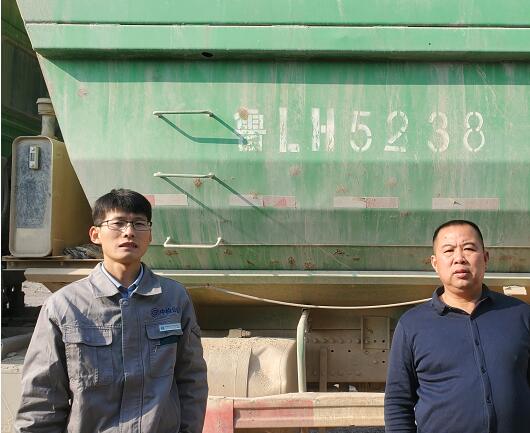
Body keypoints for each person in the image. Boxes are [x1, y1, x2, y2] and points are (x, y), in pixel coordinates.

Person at [15, 189, 208, 433]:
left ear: (150, 235)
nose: (129, 232)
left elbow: (192, 381)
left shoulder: (174, 298)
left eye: (139, 223)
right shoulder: (64, 306)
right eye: (118, 223)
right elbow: (41, 398)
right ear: (95, 234)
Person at [384, 219, 530, 433]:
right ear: (435, 263)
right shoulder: (412, 325)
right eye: (449, 250)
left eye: (469, 248)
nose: (459, 258)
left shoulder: (520, 315)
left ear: (485, 258)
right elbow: (398, 403)